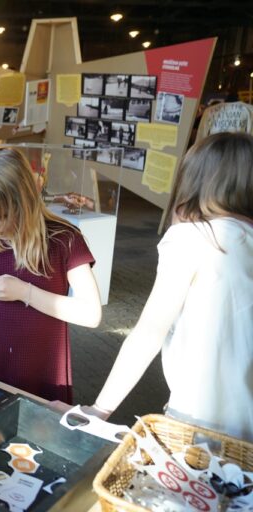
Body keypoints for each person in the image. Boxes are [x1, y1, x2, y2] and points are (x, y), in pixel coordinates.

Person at [87, 132, 253, 441]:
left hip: (202, 415)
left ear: (197, 180)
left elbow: (149, 331)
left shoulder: (194, 239)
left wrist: (99, 409)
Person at [0, 148, 102, 402]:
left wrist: (24, 292)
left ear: (24, 202)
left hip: (34, 368)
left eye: (0, 218)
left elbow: (91, 314)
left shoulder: (63, 239)